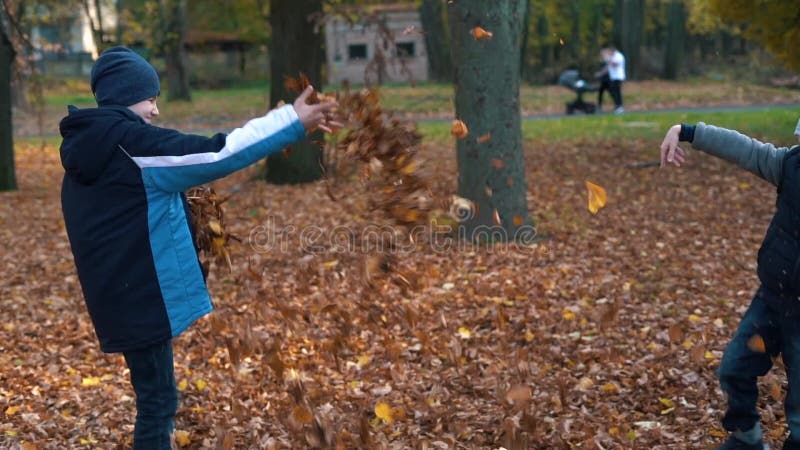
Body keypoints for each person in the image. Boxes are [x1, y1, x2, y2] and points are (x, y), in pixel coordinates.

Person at [58, 46, 338, 449]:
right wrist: (291, 120)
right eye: (150, 99)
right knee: (158, 402)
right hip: (141, 299)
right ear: (124, 97)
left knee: (156, 397)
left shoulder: (87, 152)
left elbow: (127, 211)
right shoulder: (132, 147)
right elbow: (219, 152)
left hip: (120, 298)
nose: (155, 111)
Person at [660, 121, 800, 450]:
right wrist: (685, 131)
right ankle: (746, 439)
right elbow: (744, 149)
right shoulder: (790, 164)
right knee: (734, 368)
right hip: (772, 300)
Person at [595, 45, 625, 114]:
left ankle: (619, 107)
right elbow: (608, 67)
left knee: (617, 93)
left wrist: (608, 59)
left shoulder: (618, 56)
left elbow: (615, 64)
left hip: (618, 77)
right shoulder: (613, 57)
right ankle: (618, 107)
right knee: (614, 92)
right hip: (613, 77)